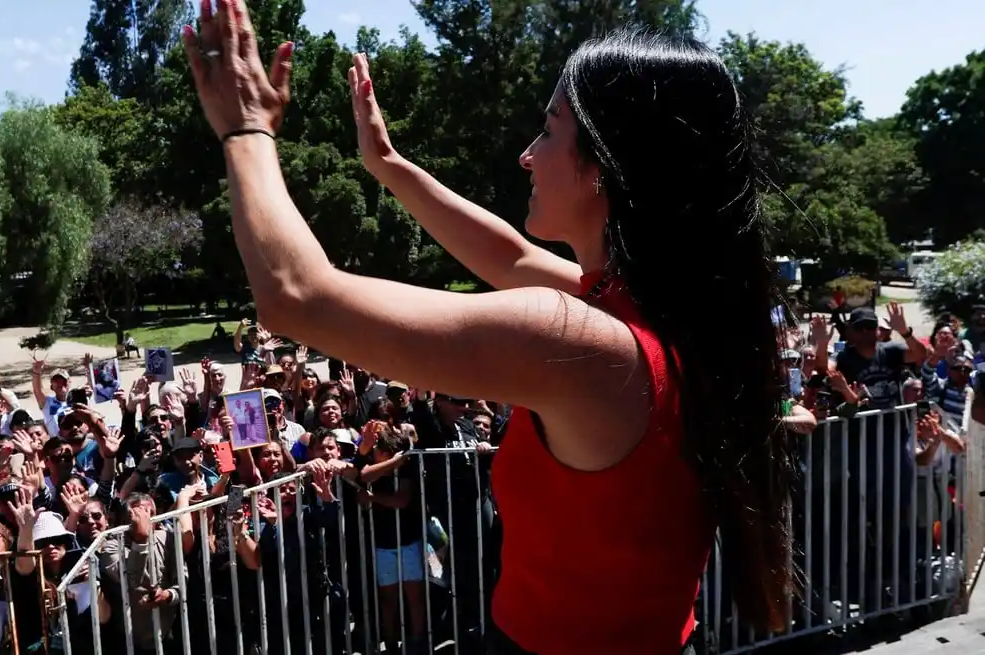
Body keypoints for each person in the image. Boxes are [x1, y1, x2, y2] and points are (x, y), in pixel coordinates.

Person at [182, 7, 793, 654]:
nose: (528, 155)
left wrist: (244, 130)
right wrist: (387, 164)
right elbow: (511, 258)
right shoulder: (665, 310)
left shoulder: (585, 344)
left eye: (550, 130)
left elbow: (297, 296)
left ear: (602, 167)